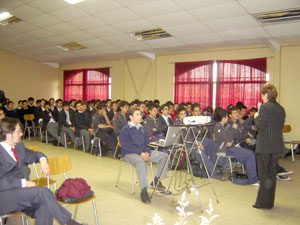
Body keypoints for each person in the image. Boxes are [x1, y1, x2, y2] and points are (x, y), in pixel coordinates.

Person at [0, 117, 86, 225]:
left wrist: (43, 160)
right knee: (43, 192)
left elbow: (33, 154)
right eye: (18, 131)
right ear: (8, 134)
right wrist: (23, 183)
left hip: (20, 194)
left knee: (45, 205)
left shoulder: (18, 146)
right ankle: (70, 223)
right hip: (3, 197)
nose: (21, 134)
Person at [119, 108, 169, 204]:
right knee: (140, 161)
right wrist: (140, 153)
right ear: (131, 117)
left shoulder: (141, 128)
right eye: (137, 114)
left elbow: (146, 143)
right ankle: (144, 191)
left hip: (142, 152)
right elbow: (126, 146)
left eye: (140, 114)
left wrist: (147, 152)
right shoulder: (125, 130)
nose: (140, 116)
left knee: (164, 156)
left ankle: (156, 180)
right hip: (129, 153)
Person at [253, 84, 285, 209]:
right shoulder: (281, 108)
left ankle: (262, 203)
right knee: (272, 174)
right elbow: (279, 126)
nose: (261, 97)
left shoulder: (265, 107)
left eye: (262, 94)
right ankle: (269, 201)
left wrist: (255, 117)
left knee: (263, 175)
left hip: (264, 146)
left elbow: (260, 125)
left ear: (266, 94)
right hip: (276, 145)